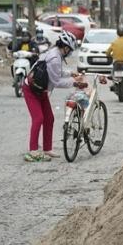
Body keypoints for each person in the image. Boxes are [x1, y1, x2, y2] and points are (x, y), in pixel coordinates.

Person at [22, 31, 83, 162]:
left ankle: (47, 149)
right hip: (31, 90)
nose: (70, 52)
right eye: (70, 49)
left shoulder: (55, 53)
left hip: (41, 90)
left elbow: (56, 72)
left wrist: (71, 73)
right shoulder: (55, 58)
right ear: (65, 47)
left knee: (49, 118)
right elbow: (56, 82)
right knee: (38, 119)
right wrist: (74, 82)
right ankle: (32, 151)